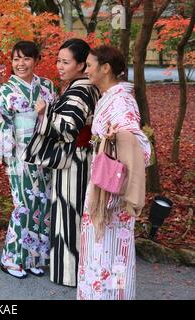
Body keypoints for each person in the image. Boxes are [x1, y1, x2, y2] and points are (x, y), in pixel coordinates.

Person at [0, 40, 57, 279]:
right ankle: (11, 259)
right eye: (16, 59)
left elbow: (58, 116)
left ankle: (34, 257)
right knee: (23, 204)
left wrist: (46, 112)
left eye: (27, 58)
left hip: (45, 150)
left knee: (43, 203)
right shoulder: (5, 90)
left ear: (36, 61)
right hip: (20, 152)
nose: (21, 64)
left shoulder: (47, 86)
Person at [23, 39, 100, 287]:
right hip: (81, 156)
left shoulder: (80, 89)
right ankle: (76, 270)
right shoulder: (86, 87)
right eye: (58, 60)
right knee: (73, 213)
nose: (59, 66)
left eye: (65, 62)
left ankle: (70, 273)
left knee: (70, 215)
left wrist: (45, 113)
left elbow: (68, 129)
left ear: (81, 64)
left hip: (75, 160)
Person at [76, 45, 151, 300]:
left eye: (89, 65)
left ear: (105, 68)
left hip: (113, 187)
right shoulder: (110, 96)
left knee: (112, 250)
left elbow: (138, 144)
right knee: (101, 247)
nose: (86, 70)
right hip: (105, 181)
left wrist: (112, 140)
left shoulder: (120, 100)